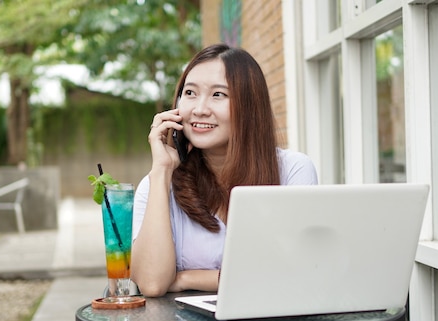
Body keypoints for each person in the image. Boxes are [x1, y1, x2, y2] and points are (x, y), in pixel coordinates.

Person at [130, 44, 318, 297]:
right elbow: (151, 284)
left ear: (249, 107)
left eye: (218, 95)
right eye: (190, 93)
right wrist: (162, 172)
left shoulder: (292, 170)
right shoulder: (158, 183)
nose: (199, 109)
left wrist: (187, 278)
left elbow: (295, 272)